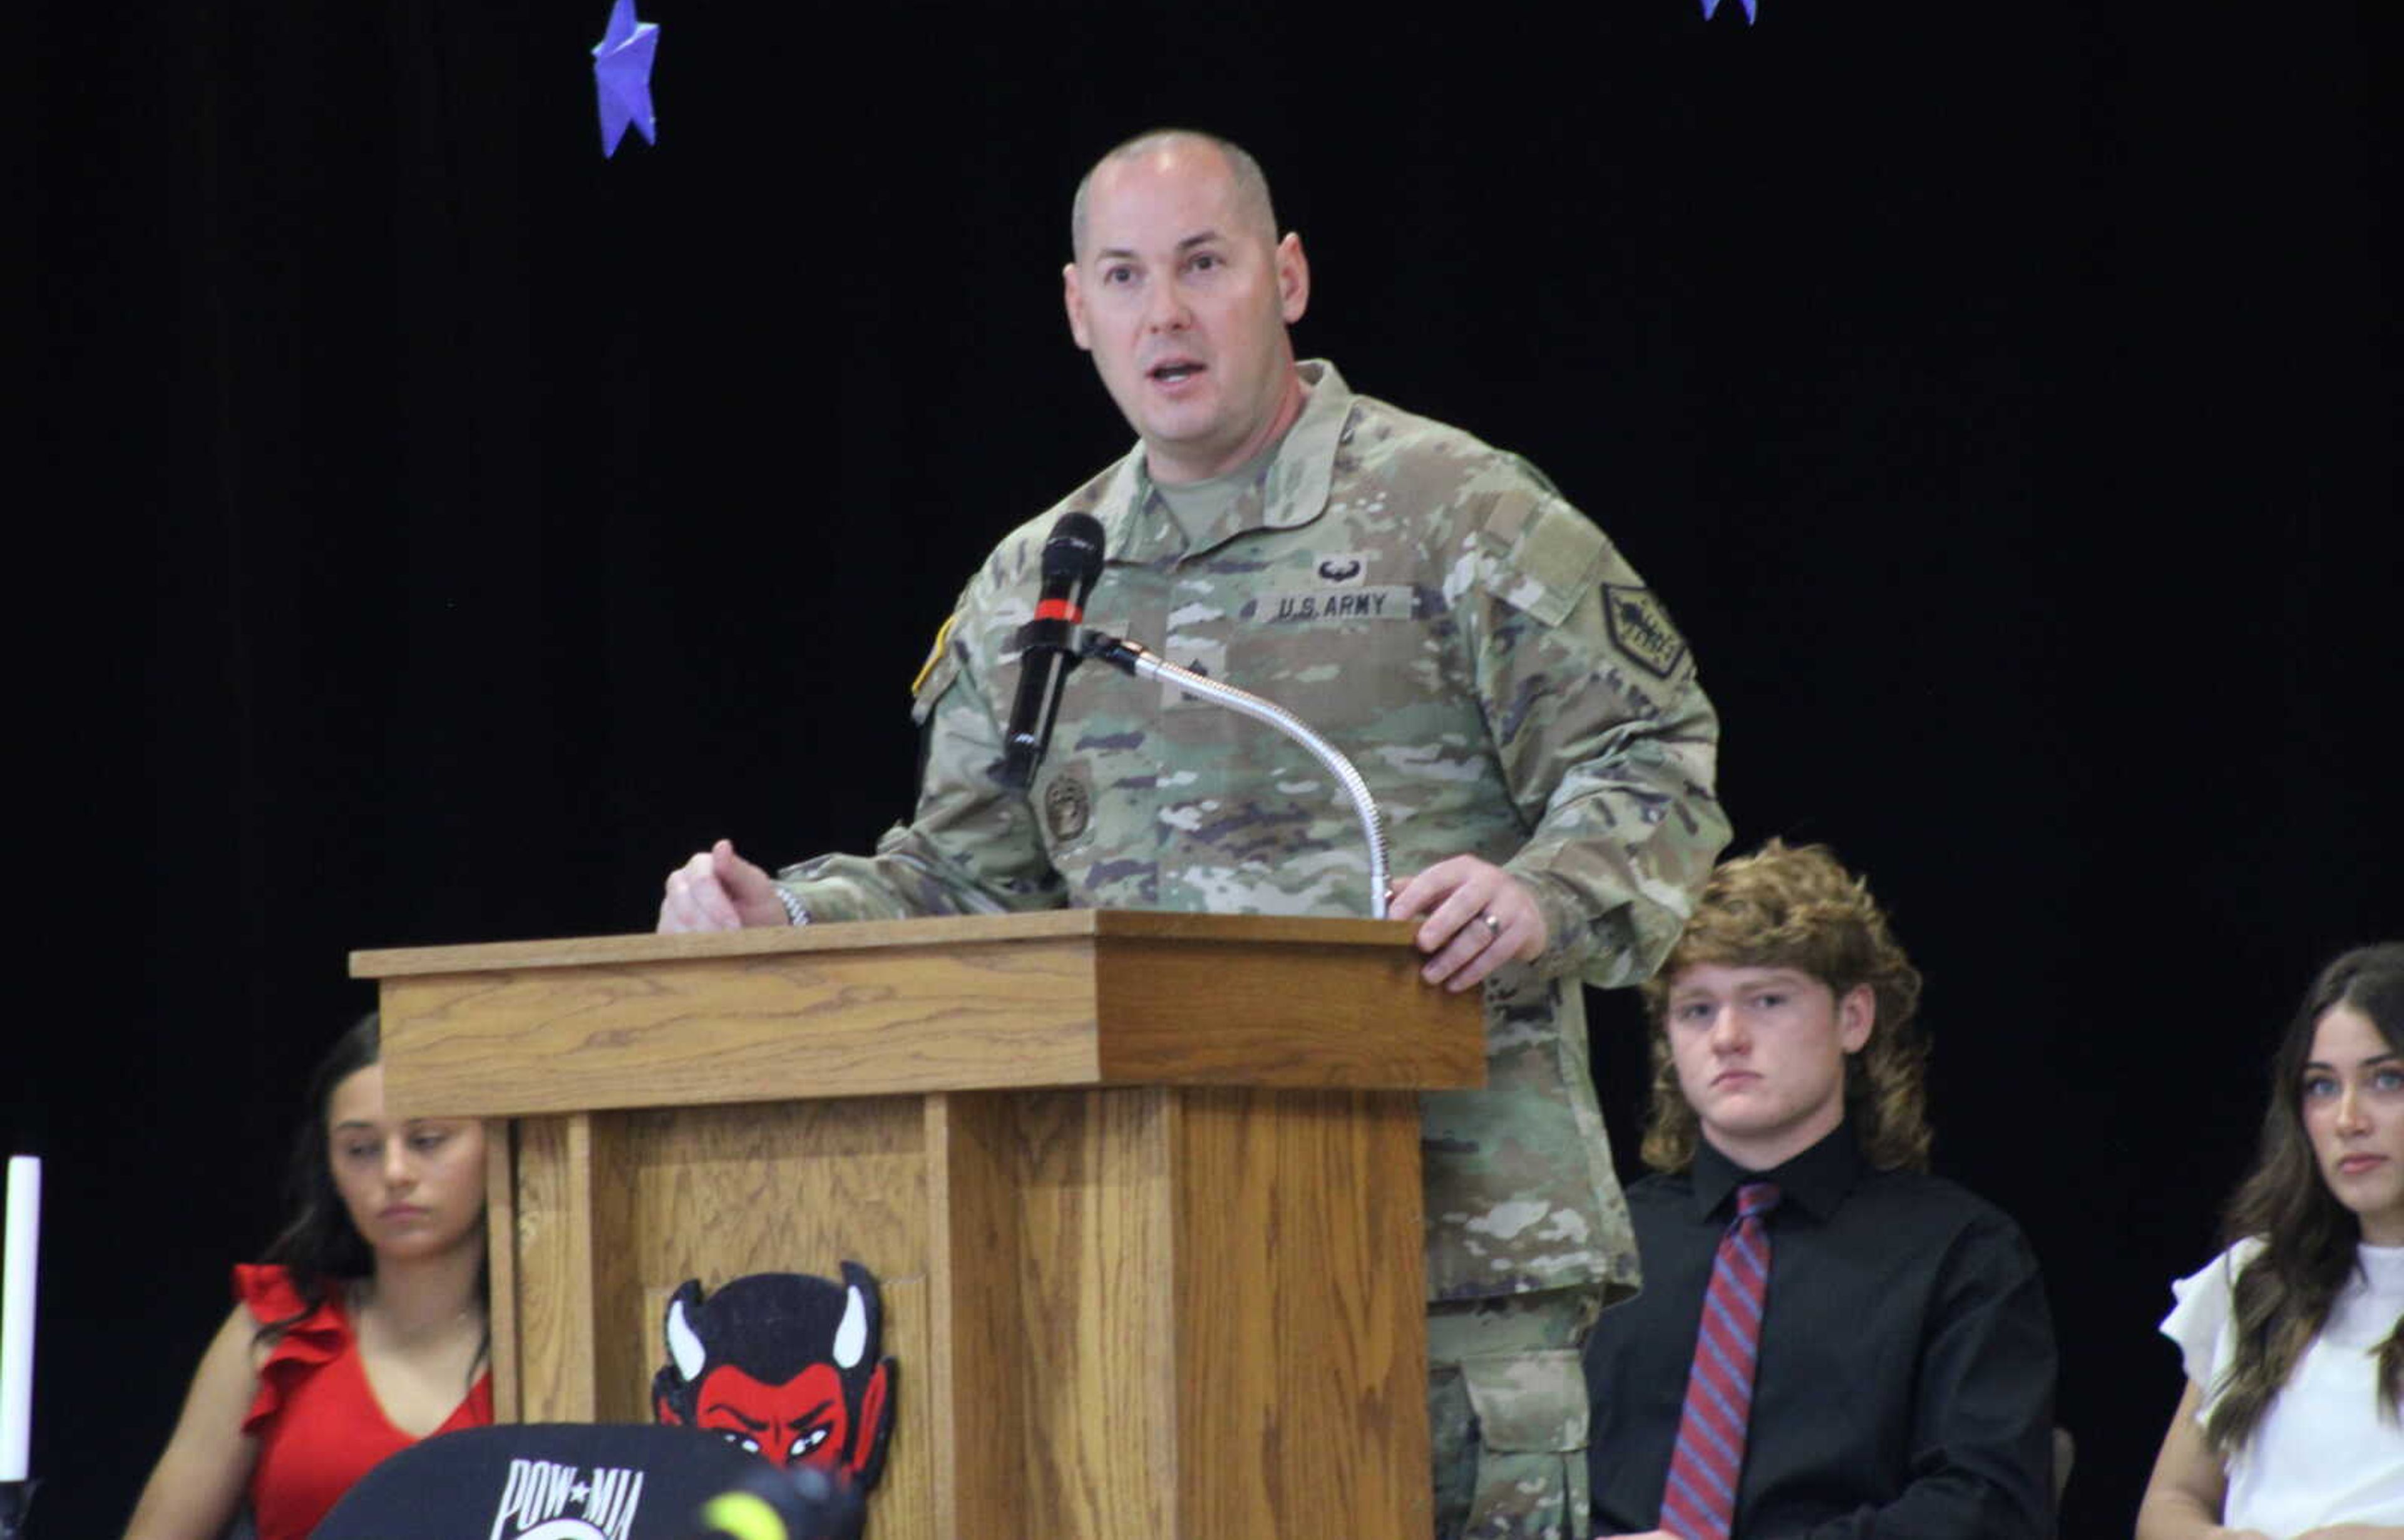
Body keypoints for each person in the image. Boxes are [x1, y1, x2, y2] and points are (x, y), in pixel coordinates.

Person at [659, 128, 1730, 1537]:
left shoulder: (1456, 509)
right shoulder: (1036, 583)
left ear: (1285, 276)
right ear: (1075, 310)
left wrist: (1539, 892)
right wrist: (788, 918)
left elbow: (1654, 758)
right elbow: (965, 876)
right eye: (1124, 276)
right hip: (1127, 1258)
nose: (1163, 313)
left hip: (1442, 1244)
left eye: (1203, 265)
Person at [1582, 840, 2057, 1539]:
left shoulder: (1962, 1251)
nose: (1728, 1037)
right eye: (1696, 1009)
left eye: (1767, 998)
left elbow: (1992, 1504)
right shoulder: (1599, 1240)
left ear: (1853, 1017)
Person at [123, 1014, 493, 1540]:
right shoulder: (277, 1326)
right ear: (330, 1168)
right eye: (361, 1149)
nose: (395, 1172)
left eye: (428, 1139)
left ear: (497, 1144)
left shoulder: (549, 1340)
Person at [2136, 943, 2404, 1540]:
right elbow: (2171, 1501)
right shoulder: (2261, 1277)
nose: (2348, 1118)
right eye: (2322, 1086)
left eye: (2386, 1080)